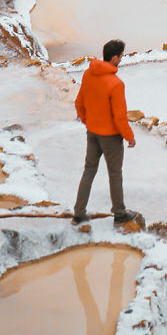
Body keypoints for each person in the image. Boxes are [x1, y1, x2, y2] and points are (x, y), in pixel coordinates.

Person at [72, 38, 140, 225]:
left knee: (89, 171)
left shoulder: (88, 74)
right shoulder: (115, 83)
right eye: (121, 56)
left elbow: (79, 103)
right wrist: (130, 137)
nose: (122, 59)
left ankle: (78, 212)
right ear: (115, 58)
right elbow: (119, 117)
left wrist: (88, 121)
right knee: (115, 174)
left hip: (92, 133)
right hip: (110, 137)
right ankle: (119, 213)